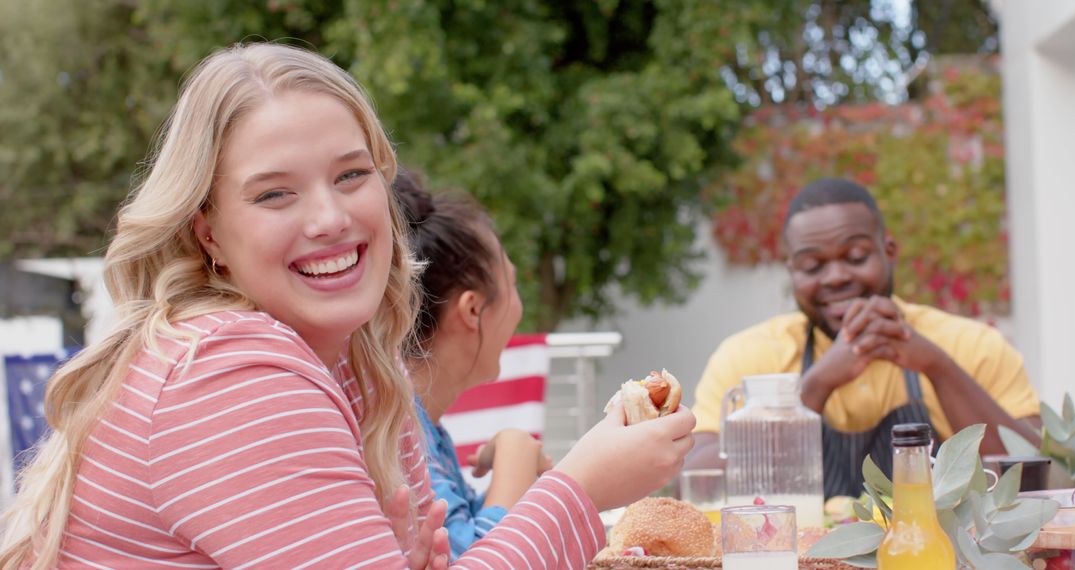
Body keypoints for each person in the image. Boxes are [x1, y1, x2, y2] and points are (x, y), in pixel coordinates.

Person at [0, 43, 696, 569]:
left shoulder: (359, 368)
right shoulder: (229, 374)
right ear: (208, 231)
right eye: (275, 193)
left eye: (352, 175)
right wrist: (582, 485)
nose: (330, 217)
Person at [686, 177, 1041, 498]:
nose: (836, 277)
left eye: (855, 257)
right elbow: (699, 485)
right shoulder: (748, 356)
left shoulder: (972, 345)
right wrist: (816, 385)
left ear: (889, 252)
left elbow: (1035, 481)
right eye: (812, 266)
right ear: (792, 271)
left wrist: (937, 366)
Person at [394, 169, 552, 560]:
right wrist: (517, 450)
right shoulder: (399, 431)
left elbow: (461, 528)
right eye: (512, 286)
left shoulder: (422, 426)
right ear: (472, 309)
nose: (519, 307)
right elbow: (478, 559)